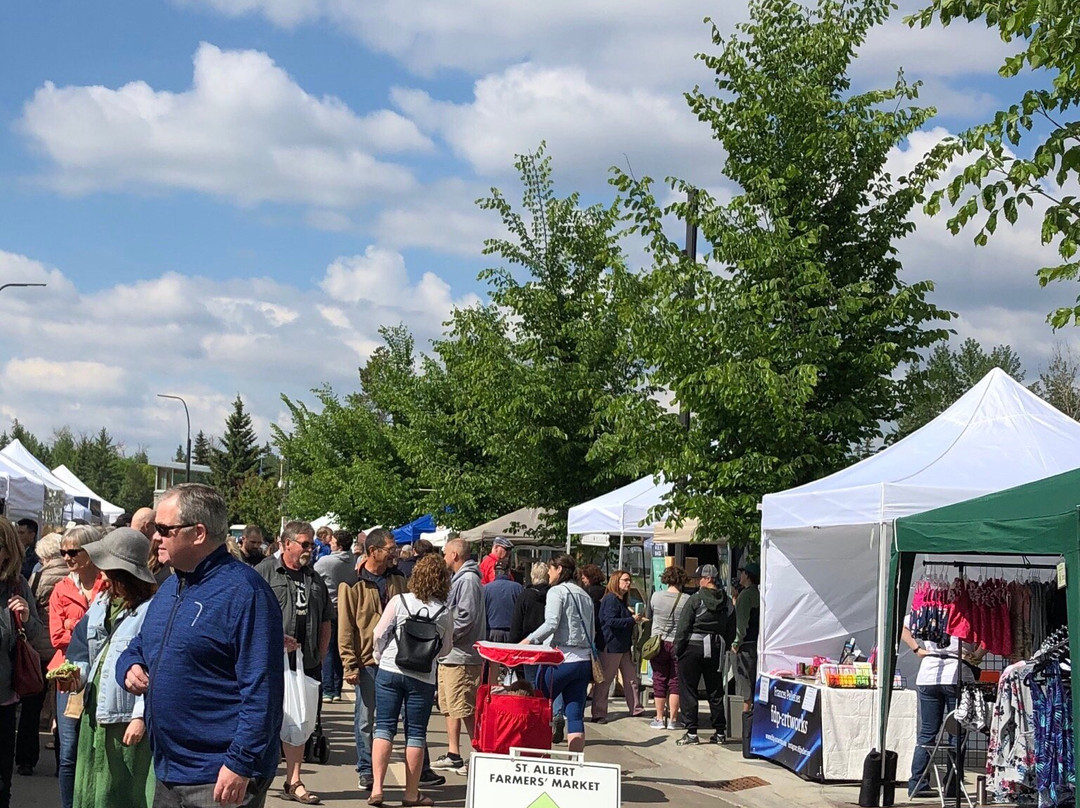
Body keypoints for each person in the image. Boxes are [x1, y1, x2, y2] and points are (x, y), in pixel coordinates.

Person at [117, 483, 284, 808]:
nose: (154, 537)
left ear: (198, 533)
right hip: (169, 769)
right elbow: (140, 645)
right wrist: (129, 666)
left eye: (164, 529)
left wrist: (239, 762)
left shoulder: (246, 594)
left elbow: (263, 692)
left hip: (220, 775)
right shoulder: (169, 588)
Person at [60, 528, 157, 808]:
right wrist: (73, 677)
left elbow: (154, 669)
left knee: (122, 793)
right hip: (94, 716)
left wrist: (140, 716)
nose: (102, 574)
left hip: (125, 720)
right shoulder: (101, 604)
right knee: (90, 792)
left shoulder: (151, 609)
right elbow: (82, 653)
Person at [370, 554, 454, 808]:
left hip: (390, 669)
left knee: (383, 727)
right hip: (422, 677)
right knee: (416, 733)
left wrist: (379, 655)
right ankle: (410, 793)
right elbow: (447, 649)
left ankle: (376, 789)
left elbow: (378, 633)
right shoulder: (443, 613)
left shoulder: (399, 601)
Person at [256, 521, 331, 805]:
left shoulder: (315, 578)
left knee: (301, 721)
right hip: (269, 662)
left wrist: (320, 655)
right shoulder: (264, 573)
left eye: (312, 544)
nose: (310, 550)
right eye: (304, 543)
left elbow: (326, 618)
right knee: (265, 719)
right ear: (286, 543)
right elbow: (251, 616)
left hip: (305, 664)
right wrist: (275, 638)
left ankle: (294, 780)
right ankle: (257, 776)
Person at [338, 529, 407, 791]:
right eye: (390, 549)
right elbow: (346, 627)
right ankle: (365, 769)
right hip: (367, 661)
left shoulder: (398, 579)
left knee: (392, 718)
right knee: (366, 717)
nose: (394, 553)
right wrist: (349, 664)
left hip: (397, 660)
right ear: (372, 551)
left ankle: (407, 769)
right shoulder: (352, 583)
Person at [50, 526, 108, 807]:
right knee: (69, 751)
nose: (67, 557)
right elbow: (56, 636)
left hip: (102, 677)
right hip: (69, 677)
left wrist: (72, 624)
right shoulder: (61, 588)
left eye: (73, 551)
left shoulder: (108, 585)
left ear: (92, 550)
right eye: (63, 552)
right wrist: (79, 628)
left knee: (97, 750)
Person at [521, 555, 595, 753]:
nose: (548, 573)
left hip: (560, 658)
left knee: (541, 706)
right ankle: (574, 763)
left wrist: (528, 640)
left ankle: (538, 754)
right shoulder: (585, 595)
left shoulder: (557, 592)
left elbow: (551, 623)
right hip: (583, 660)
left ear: (560, 569)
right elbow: (592, 630)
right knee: (575, 714)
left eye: (551, 569)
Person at [902, 617, 983, 797]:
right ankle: (953, 786)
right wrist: (977, 655)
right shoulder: (965, 610)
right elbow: (988, 636)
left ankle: (917, 783)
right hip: (957, 674)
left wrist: (917, 649)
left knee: (927, 734)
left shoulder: (927, 608)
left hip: (929, 673)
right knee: (957, 733)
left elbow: (902, 627)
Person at [0, 517, 46, 808]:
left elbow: (36, 634)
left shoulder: (16, 587)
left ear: (7, 551)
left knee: (2, 783)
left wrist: (26, 618)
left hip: (3, 700)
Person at [432, 538, 485, 775]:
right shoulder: (461, 578)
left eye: (445, 554)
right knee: (451, 706)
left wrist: (446, 636)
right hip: (452, 655)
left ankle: (479, 755)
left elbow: (466, 617)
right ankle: (454, 754)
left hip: (462, 656)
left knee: (465, 708)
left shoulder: (468, 580)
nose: (443, 558)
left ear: (454, 554)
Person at [673, 564, 733, 746]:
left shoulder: (695, 599)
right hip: (716, 647)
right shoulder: (728, 601)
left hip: (692, 647)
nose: (698, 581)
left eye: (700, 578)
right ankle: (720, 732)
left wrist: (678, 649)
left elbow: (683, 627)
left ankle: (692, 733)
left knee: (688, 689)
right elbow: (731, 628)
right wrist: (725, 646)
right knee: (715, 690)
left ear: (707, 579)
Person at [593, 570, 647, 723]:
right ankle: (599, 713)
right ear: (616, 581)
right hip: (611, 646)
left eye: (629, 580)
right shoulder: (610, 599)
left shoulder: (622, 600)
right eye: (625, 580)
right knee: (605, 681)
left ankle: (636, 708)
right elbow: (610, 621)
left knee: (631, 679)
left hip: (623, 646)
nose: (628, 583)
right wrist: (631, 620)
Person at [314, 530, 358, 703]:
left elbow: (313, 574)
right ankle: (338, 688)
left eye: (332, 541)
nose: (329, 542)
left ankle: (328, 689)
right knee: (341, 648)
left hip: (330, 607)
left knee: (328, 648)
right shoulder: (352, 560)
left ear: (338, 545)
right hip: (346, 609)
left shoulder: (326, 562)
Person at [648, 565, 691, 730]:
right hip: (678, 643)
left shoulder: (656, 597)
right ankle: (673, 719)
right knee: (675, 680)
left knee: (659, 679)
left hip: (658, 643)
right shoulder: (687, 599)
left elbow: (651, 615)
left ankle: (659, 718)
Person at [509, 562, 551, 687]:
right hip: (549, 644)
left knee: (531, 681)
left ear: (532, 575)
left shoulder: (525, 596)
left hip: (529, 644)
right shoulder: (553, 594)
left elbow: (517, 623)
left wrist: (513, 646)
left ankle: (534, 705)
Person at [731, 561, 760, 715]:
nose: (740, 575)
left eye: (742, 572)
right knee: (755, 679)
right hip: (758, 643)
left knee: (745, 682)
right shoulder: (761, 594)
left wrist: (736, 642)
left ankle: (746, 719)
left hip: (745, 644)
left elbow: (741, 624)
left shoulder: (745, 595)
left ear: (747, 576)